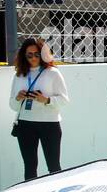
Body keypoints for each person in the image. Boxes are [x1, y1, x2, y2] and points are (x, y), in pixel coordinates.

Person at [9, 38, 69, 180]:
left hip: (49, 123)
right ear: (24, 55)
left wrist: (47, 100)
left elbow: (64, 100)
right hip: (26, 124)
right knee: (30, 166)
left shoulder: (53, 72)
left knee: (54, 166)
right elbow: (12, 106)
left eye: (37, 54)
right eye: (29, 55)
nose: (33, 58)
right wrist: (18, 98)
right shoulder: (18, 75)